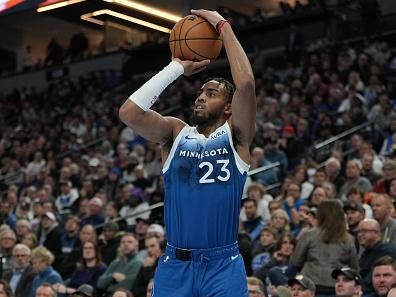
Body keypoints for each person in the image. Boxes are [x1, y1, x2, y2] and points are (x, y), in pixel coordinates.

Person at [119, 8, 255, 297]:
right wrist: (176, 68)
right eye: (200, 93)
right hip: (174, 265)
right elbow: (129, 113)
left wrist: (222, 26)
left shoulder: (236, 136)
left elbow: (246, 84)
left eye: (211, 93)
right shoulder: (175, 133)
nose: (201, 97)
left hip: (223, 265)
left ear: (229, 107)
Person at [290, 200, 358, 296]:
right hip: (336, 286)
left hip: (309, 284)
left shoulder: (309, 235)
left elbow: (296, 261)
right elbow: (354, 267)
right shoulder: (349, 239)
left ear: (320, 215)